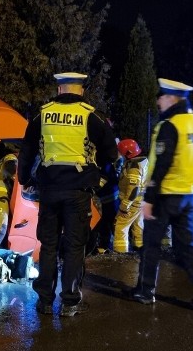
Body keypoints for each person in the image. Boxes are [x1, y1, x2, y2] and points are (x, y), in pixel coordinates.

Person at [17, 72, 118, 317]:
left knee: (48, 245)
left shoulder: (43, 115)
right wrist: (101, 181)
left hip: (49, 192)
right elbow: (111, 154)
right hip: (78, 193)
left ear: (60, 89)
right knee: (74, 247)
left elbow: (27, 151)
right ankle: (70, 302)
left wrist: (26, 179)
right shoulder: (91, 116)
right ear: (81, 90)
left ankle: (44, 301)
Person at [128, 78, 193, 312]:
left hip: (166, 194)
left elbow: (162, 164)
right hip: (191, 194)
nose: (158, 101)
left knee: (151, 243)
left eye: (161, 97)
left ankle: (146, 291)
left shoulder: (170, 125)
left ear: (171, 98)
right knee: (188, 246)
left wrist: (149, 198)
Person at [112, 139, 149, 254]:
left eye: (121, 152)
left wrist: (125, 205)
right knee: (138, 225)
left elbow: (134, 189)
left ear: (127, 153)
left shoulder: (134, 167)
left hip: (133, 202)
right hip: (141, 201)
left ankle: (121, 253)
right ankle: (140, 249)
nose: (120, 154)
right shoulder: (143, 161)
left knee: (120, 226)